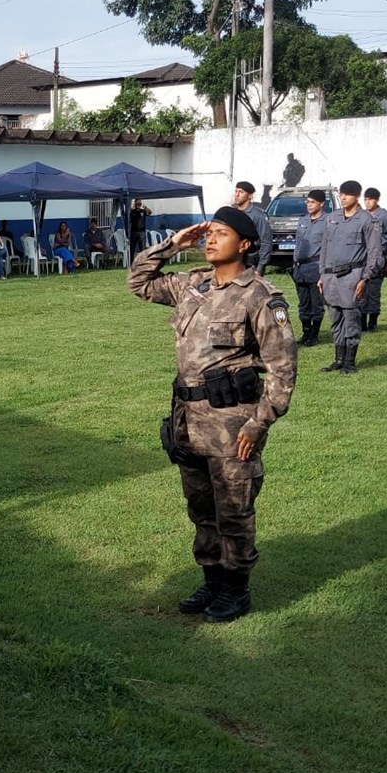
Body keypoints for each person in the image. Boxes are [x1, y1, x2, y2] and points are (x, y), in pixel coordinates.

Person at [128, 208, 296, 622]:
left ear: (245, 245)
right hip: (188, 418)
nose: (211, 239)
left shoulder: (260, 295)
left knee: (233, 509)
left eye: (222, 234)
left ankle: (236, 589)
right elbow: (138, 282)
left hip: (233, 424)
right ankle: (211, 581)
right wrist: (174, 243)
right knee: (201, 506)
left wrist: (259, 424)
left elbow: (282, 368)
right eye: (209, 233)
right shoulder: (193, 285)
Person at [318, 179, 382, 374]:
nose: (343, 197)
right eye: (341, 194)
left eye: (347, 194)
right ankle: (338, 359)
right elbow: (325, 248)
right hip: (330, 277)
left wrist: (365, 278)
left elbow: (374, 252)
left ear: (357, 196)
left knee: (351, 319)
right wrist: (322, 274)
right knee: (335, 318)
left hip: (352, 276)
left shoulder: (366, 220)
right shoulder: (332, 218)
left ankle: (349, 362)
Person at [292, 190, 327, 346]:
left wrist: (324, 271)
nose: (309, 205)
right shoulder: (303, 221)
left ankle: (314, 334)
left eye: (312, 202)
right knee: (303, 303)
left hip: (316, 266)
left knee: (316, 303)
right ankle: (305, 333)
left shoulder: (328, 221)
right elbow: (298, 244)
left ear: (321, 204)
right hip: (301, 268)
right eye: (308, 202)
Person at [361, 187, 387, 332]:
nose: (368, 202)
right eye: (366, 199)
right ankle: (362, 322)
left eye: (370, 199)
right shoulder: (362, 215)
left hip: (378, 257)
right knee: (361, 291)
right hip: (362, 258)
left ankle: (373, 323)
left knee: (374, 291)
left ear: (377, 200)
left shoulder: (384, 216)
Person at [233, 182, 272, 273]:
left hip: (251, 258)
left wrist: (261, 266)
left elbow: (266, 241)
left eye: (241, 192)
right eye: (236, 191)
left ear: (250, 196)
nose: (237, 195)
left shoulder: (258, 215)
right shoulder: (232, 214)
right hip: (234, 258)